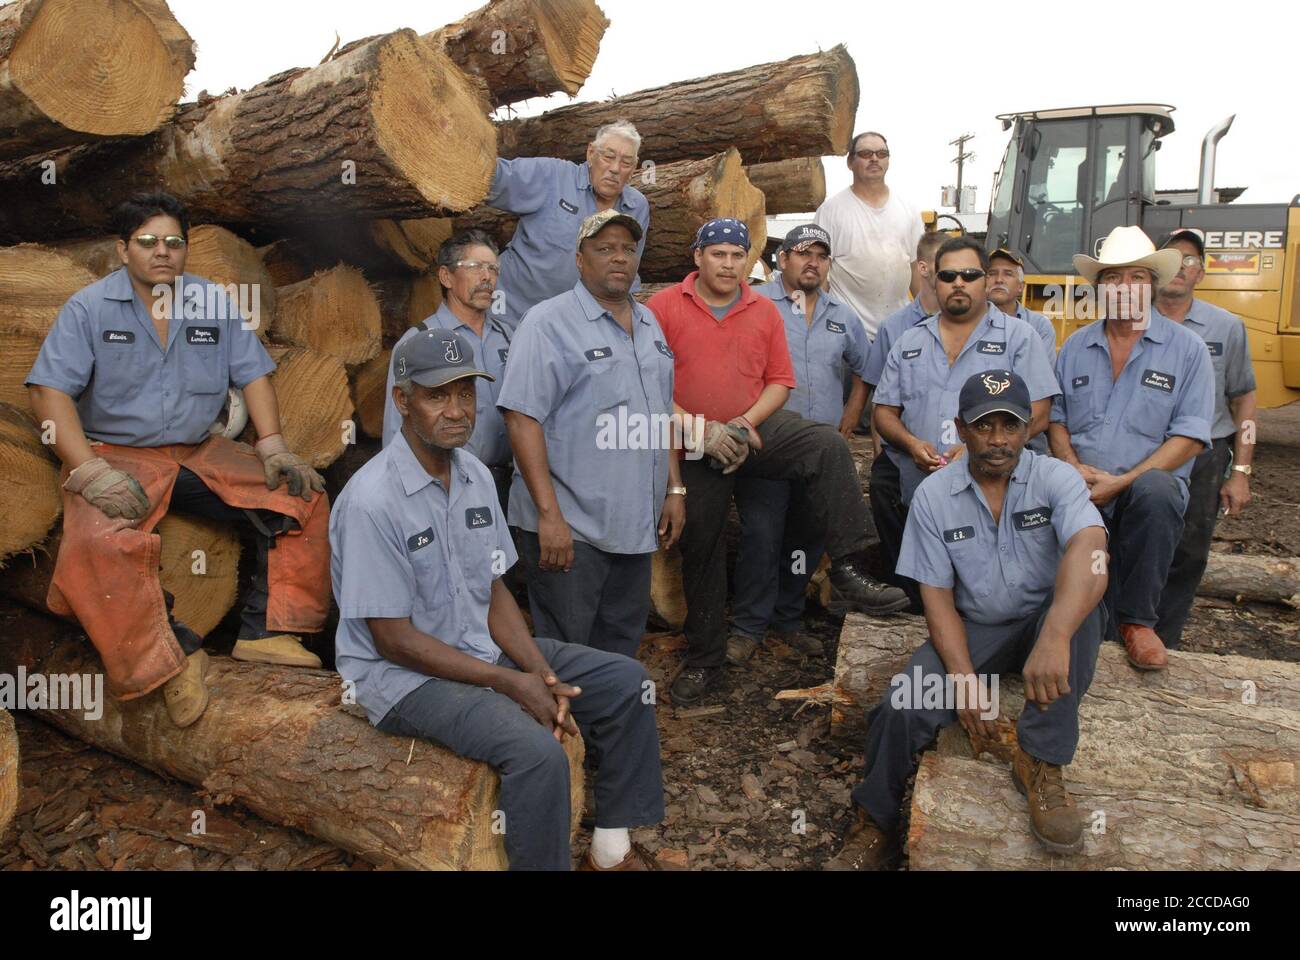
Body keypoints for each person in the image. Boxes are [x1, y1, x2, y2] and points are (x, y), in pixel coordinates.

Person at [331, 328, 664, 871]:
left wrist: (542, 674)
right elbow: (392, 641)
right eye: (438, 395)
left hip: (477, 649)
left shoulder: (476, 478)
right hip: (403, 680)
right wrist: (510, 682)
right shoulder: (372, 501)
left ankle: (609, 850)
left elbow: (493, 592)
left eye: (467, 393)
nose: (457, 409)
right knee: (537, 754)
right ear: (402, 401)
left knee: (630, 684)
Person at [25, 191, 329, 728]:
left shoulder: (211, 302)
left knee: (302, 495)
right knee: (97, 542)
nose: (162, 252)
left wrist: (274, 445)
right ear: (123, 250)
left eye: (173, 242)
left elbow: (253, 373)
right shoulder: (89, 308)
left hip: (199, 451)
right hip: (117, 454)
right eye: (147, 242)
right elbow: (49, 393)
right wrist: (87, 470)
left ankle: (269, 633)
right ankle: (172, 659)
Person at [826, 371, 1108, 869]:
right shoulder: (935, 497)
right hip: (979, 627)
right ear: (960, 428)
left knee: (1083, 607)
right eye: (983, 426)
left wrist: (1056, 634)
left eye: (1010, 425)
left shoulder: (1055, 478)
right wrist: (962, 679)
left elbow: (1092, 552)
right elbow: (936, 599)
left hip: (1049, 615)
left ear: (1029, 429)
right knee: (901, 704)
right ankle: (875, 820)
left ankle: (1040, 760)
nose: (997, 439)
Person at [646, 218, 908, 705]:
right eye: (718, 253)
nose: (728, 263)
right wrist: (701, 429)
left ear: (749, 260)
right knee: (701, 542)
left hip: (754, 426)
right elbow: (647, 386)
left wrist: (744, 424)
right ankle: (705, 659)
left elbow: (780, 382)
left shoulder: (761, 309)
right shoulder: (662, 308)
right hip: (694, 438)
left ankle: (848, 566)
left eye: (737, 255)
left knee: (826, 445)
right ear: (697, 256)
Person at [497, 210, 685, 660]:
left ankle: (608, 730)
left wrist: (674, 487)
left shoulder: (649, 325)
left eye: (627, 248)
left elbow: (658, 412)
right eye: (604, 249)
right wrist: (549, 517)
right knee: (568, 652)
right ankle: (563, 731)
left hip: (634, 525)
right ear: (579, 260)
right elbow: (521, 418)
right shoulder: (548, 323)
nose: (619, 258)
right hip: (571, 529)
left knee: (620, 645)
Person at [1049, 226, 1215, 670]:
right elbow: (1057, 420)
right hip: (1081, 484)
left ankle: (1138, 622)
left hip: (1143, 490)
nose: (1125, 288)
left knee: (1157, 491)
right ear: (1100, 288)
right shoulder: (1074, 349)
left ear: (1152, 285)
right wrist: (1071, 466)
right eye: (1114, 278)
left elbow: (1191, 436)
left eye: (1137, 277)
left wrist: (1123, 482)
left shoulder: (1188, 350)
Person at [872, 236, 1060, 608]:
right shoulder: (910, 341)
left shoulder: (1018, 338)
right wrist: (911, 444)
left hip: (996, 484)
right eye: (949, 275)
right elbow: (883, 412)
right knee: (920, 577)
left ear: (986, 280)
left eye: (969, 274)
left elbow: (1039, 410)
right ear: (934, 281)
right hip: (920, 482)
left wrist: (979, 447)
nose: (958, 283)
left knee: (990, 594)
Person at [729, 224, 872, 662]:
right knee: (761, 535)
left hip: (821, 456)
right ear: (782, 260)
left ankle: (788, 620)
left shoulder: (842, 316)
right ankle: (747, 627)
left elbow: (866, 367)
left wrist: (850, 412)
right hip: (769, 444)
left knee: (805, 542)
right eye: (802, 253)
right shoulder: (753, 305)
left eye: (821, 255)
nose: (813, 262)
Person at [1153, 228, 1257, 648]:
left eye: (1190, 260)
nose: (1180, 266)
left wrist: (1242, 471)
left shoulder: (1226, 327)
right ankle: (1120, 627)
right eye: (1171, 258)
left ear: (1202, 272)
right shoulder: (1132, 321)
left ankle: (1166, 636)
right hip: (1146, 454)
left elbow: (1244, 400)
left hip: (1205, 457)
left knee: (1190, 551)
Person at [382, 230, 514, 508]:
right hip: (447, 486)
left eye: (492, 268)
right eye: (475, 267)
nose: (487, 277)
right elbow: (395, 430)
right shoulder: (418, 340)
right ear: (446, 277)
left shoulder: (509, 337)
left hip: (510, 487)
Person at [485, 120, 650, 328]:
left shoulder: (637, 207)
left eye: (626, 163)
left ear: (634, 167)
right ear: (591, 153)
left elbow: (629, 270)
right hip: (509, 318)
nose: (615, 169)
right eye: (608, 157)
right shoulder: (552, 175)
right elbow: (491, 176)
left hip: (573, 329)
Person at [815, 131, 924, 339]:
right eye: (866, 153)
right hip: (847, 334)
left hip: (899, 334)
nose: (874, 158)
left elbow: (916, 269)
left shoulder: (908, 211)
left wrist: (928, 319)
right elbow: (821, 273)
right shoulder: (830, 212)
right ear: (850, 162)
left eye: (882, 153)